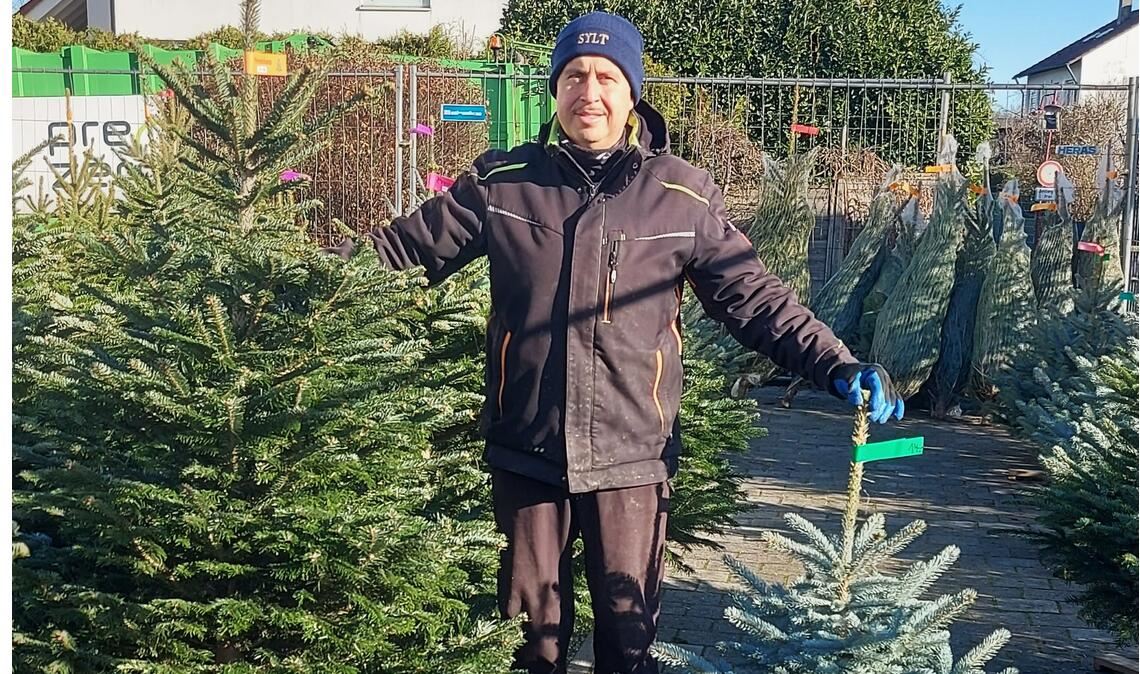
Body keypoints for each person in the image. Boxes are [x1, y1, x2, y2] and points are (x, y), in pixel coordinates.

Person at [326, 11, 904, 674]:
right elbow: (400, 252)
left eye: (607, 77)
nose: (589, 92)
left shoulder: (681, 196)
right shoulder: (501, 183)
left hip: (632, 456)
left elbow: (755, 300)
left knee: (628, 645)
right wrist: (298, 280)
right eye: (574, 75)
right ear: (555, 88)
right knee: (528, 643)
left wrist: (835, 363)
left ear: (633, 93)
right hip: (526, 451)